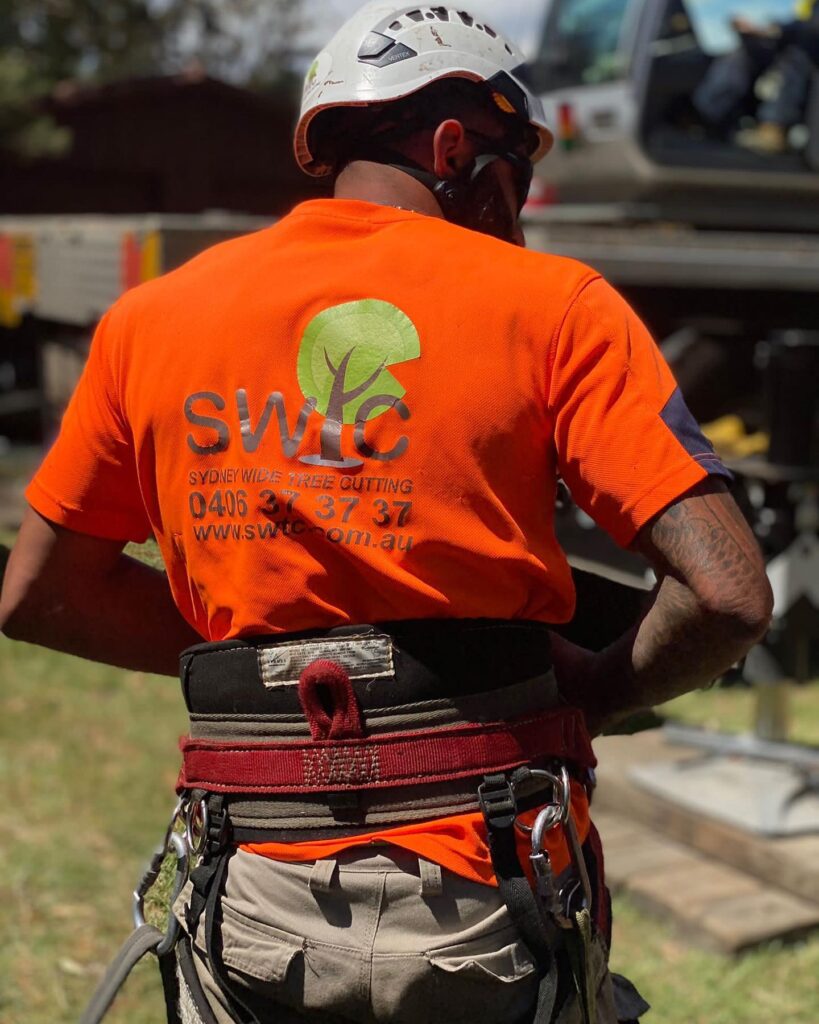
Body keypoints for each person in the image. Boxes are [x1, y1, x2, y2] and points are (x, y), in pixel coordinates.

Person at [0, 3, 772, 1023]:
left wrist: (263, 651)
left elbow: (38, 595)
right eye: (517, 168)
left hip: (250, 893)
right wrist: (585, 688)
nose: (523, 205)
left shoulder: (151, 321)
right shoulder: (557, 308)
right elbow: (727, 593)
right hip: (488, 891)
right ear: (455, 145)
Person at [693, 1, 819, 153]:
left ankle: (773, 128)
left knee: (796, 55)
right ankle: (707, 117)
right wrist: (758, 31)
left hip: (807, 50)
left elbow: (810, 28)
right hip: (793, 38)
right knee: (746, 52)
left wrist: (776, 30)